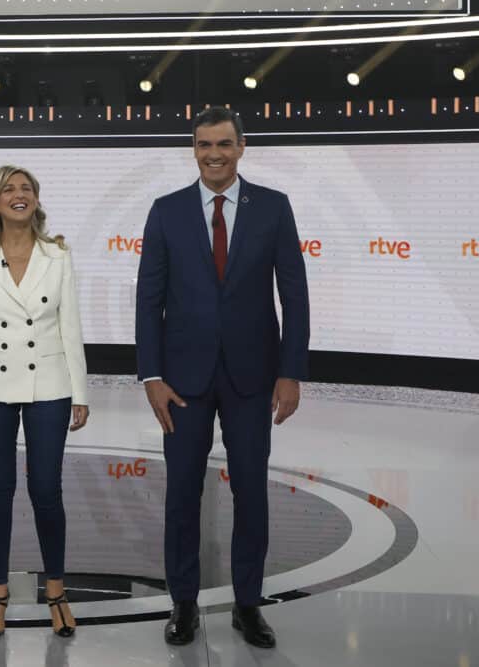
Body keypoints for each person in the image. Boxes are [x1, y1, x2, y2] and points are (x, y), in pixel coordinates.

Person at [135, 107, 310, 649]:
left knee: (251, 494)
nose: (214, 154)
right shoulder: (166, 211)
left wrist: (291, 373)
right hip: (182, 381)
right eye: (205, 144)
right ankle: (183, 604)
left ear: (241, 147)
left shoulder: (274, 208)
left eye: (224, 144)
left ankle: (248, 605)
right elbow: (149, 299)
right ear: (193, 149)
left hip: (253, 378)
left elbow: (295, 296)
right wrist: (152, 376)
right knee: (182, 494)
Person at [0, 165, 89, 638]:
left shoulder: (58, 255)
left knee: (46, 489)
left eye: (26, 188)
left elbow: (70, 325)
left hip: (50, 383)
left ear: (36, 201)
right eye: (9, 189)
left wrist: (81, 393)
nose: (18, 194)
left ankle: (55, 589)